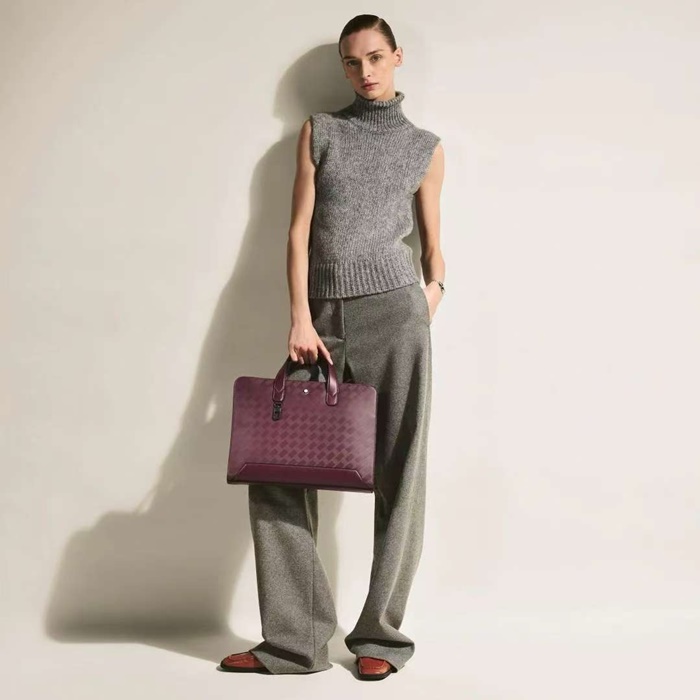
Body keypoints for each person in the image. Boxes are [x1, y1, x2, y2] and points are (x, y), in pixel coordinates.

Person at [220, 13, 445, 681]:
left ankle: (380, 637)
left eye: (375, 57)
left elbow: (434, 246)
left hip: (397, 316)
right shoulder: (322, 131)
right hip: (320, 322)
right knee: (273, 471)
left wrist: (432, 295)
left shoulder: (426, 147)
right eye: (353, 61)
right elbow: (298, 232)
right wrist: (300, 317)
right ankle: (297, 640)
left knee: (401, 474)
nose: (365, 71)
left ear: (397, 57)